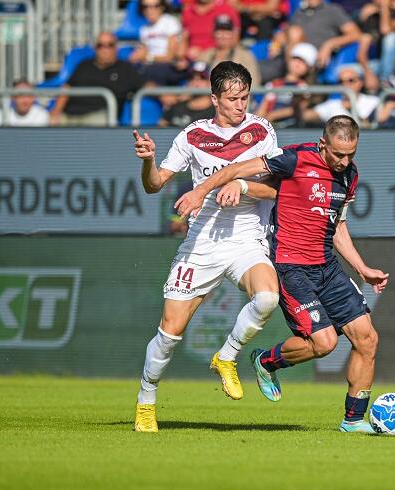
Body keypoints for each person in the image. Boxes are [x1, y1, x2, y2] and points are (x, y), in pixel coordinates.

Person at [174, 115, 389, 433]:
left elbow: (338, 226)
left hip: (327, 267)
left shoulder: (349, 176)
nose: (344, 161)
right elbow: (236, 167)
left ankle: (353, 421)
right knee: (325, 343)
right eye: (338, 154)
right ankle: (266, 361)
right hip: (292, 268)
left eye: (351, 155)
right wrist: (207, 189)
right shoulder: (295, 158)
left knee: (368, 339)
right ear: (324, 142)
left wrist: (362, 269)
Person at [132, 61, 281, 433]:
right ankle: (146, 402)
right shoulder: (192, 136)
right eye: (233, 99)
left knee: (267, 298)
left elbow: (277, 190)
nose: (241, 105)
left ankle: (226, 356)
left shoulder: (261, 130)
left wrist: (243, 186)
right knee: (169, 332)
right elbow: (155, 185)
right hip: (202, 244)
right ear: (214, 98)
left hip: (246, 239)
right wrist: (149, 160)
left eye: (245, 97)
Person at [50, 32, 146, 126]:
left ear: (116, 48)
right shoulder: (84, 65)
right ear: (95, 48)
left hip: (98, 116)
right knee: (43, 119)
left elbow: (146, 86)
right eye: (100, 45)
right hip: (69, 115)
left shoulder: (125, 69)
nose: (105, 49)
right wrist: (56, 112)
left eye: (110, 45)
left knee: (100, 122)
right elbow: (67, 88)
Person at [255, 43, 318, 127]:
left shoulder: (303, 87)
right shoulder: (274, 84)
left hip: (291, 127)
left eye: (303, 62)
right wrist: (256, 122)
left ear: (309, 68)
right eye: (296, 59)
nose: (298, 63)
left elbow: (301, 107)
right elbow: (263, 107)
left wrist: (274, 115)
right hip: (269, 126)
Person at [129, 0, 185, 86]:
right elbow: (142, 53)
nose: (149, 10)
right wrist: (135, 57)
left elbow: (170, 57)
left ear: (162, 7)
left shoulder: (170, 22)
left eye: (155, 6)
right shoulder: (144, 29)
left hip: (168, 67)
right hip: (152, 67)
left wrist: (147, 57)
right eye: (145, 7)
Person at [303, 64, 380, 125]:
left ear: (361, 82)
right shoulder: (332, 104)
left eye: (350, 80)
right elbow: (305, 116)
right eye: (341, 81)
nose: (345, 85)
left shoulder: (374, 101)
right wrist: (300, 102)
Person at [199, 14, 262, 87]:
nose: (223, 35)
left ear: (234, 34)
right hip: (209, 96)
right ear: (213, 33)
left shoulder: (245, 55)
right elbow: (195, 81)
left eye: (227, 32)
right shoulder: (205, 55)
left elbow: (254, 83)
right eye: (219, 31)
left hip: (236, 96)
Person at [158, 61, 216, 127]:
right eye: (191, 78)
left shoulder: (218, 111)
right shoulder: (175, 107)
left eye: (202, 78)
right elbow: (161, 130)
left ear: (210, 82)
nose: (195, 82)